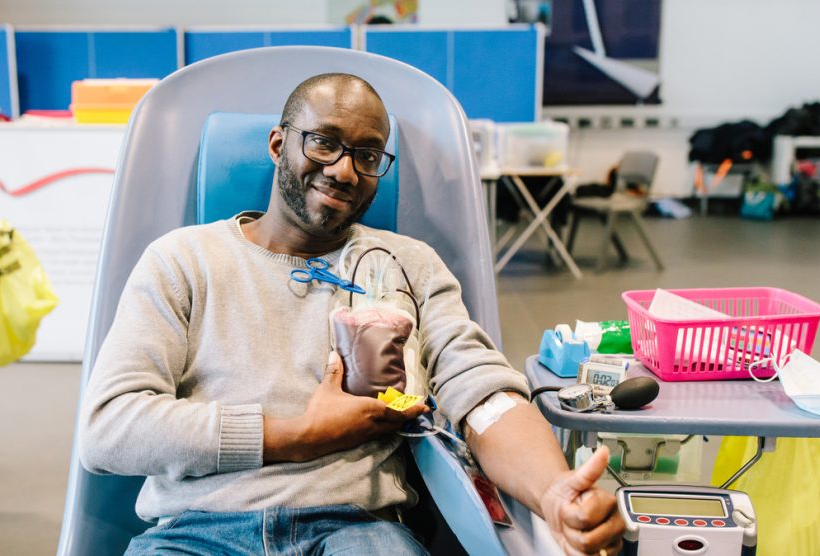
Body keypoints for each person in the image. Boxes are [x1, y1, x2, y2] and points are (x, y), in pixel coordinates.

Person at [79, 72, 624, 555]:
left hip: (357, 530)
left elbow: (482, 396)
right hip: (195, 531)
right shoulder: (184, 260)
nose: (344, 171)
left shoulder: (406, 265)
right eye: (324, 143)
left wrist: (554, 492)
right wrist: (298, 434)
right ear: (278, 143)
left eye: (367, 155)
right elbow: (109, 429)